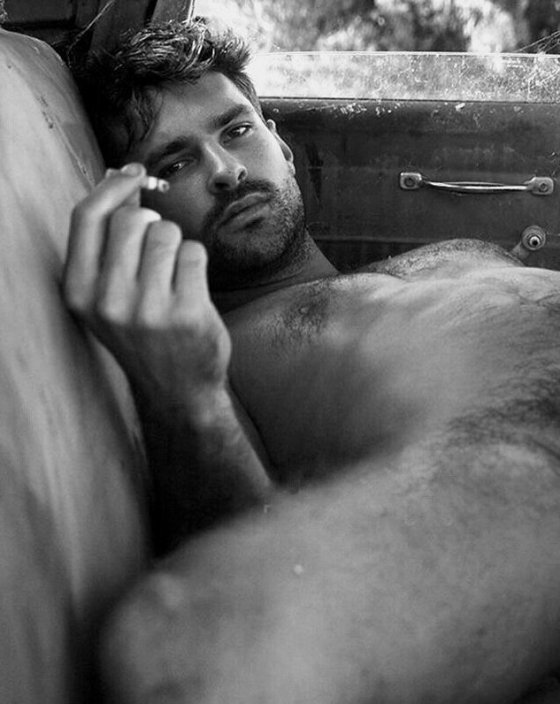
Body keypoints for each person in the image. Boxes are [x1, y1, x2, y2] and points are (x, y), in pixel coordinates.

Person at [63, 19, 560, 704]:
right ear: (139, 209)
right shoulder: (206, 353)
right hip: (524, 466)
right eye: (174, 165)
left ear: (285, 149)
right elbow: (261, 559)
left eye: (237, 130)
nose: (226, 171)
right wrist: (189, 397)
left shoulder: (449, 254)